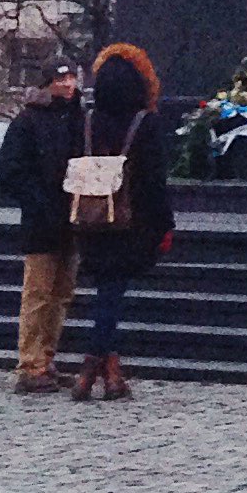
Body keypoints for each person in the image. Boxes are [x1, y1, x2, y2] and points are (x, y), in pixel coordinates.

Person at [71, 42, 172, 403]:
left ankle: (111, 372)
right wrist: (164, 225)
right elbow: (155, 181)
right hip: (131, 222)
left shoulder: (86, 121)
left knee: (106, 291)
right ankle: (89, 369)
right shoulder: (145, 123)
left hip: (90, 219)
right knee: (111, 295)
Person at [0, 60, 86, 394]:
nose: (67, 84)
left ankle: (46, 359)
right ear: (48, 83)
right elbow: (10, 174)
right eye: (61, 78)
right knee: (38, 295)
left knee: (61, 295)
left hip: (72, 221)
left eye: (71, 77)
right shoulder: (27, 122)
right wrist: (40, 202)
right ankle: (30, 364)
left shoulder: (79, 119)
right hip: (42, 221)